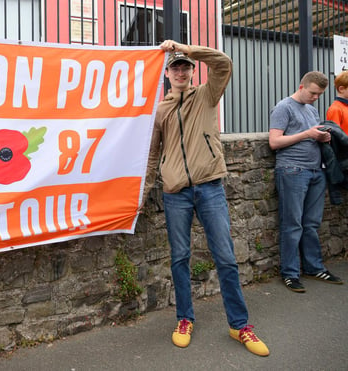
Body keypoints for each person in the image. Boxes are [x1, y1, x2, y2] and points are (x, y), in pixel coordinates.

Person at [144, 40, 269, 357]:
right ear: (168, 74)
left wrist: (185, 48)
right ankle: (184, 318)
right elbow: (152, 154)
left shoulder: (207, 94)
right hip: (176, 194)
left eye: (186, 66)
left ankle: (239, 325)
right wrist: (145, 191)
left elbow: (224, 62)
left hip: (210, 186)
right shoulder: (161, 110)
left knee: (225, 257)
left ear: (191, 70)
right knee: (179, 258)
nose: (182, 71)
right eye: (176, 67)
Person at [269, 71, 344, 293]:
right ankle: (290, 273)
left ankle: (314, 267)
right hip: (292, 170)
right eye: (313, 93)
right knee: (292, 224)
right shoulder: (283, 107)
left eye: (319, 94)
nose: (315, 97)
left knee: (311, 223)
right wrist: (308, 134)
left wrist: (324, 136)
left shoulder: (312, 110)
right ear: (302, 87)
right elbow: (274, 142)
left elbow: (313, 134)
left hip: (316, 171)